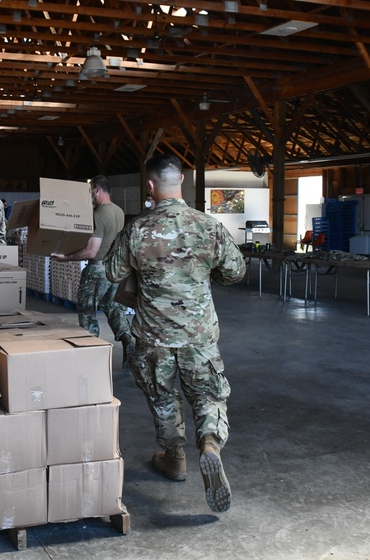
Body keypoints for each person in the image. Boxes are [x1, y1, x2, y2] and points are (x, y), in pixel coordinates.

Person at [104, 154, 245, 513]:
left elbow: (112, 273)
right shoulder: (207, 226)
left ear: (149, 186)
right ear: (181, 180)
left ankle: (175, 459)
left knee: (164, 399)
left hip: (154, 336)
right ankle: (210, 445)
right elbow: (235, 271)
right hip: (198, 335)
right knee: (208, 396)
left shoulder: (137, 229)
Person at [50, 175, 133, 353]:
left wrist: (66, 257)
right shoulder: (118, 211)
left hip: (97, 270)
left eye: (90, 190)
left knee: (88, 312)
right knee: (114, 308)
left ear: (97, 189)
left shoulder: (98, 214)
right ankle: (126, 337)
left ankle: (91, 351)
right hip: (115, 269)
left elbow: (91, 251)